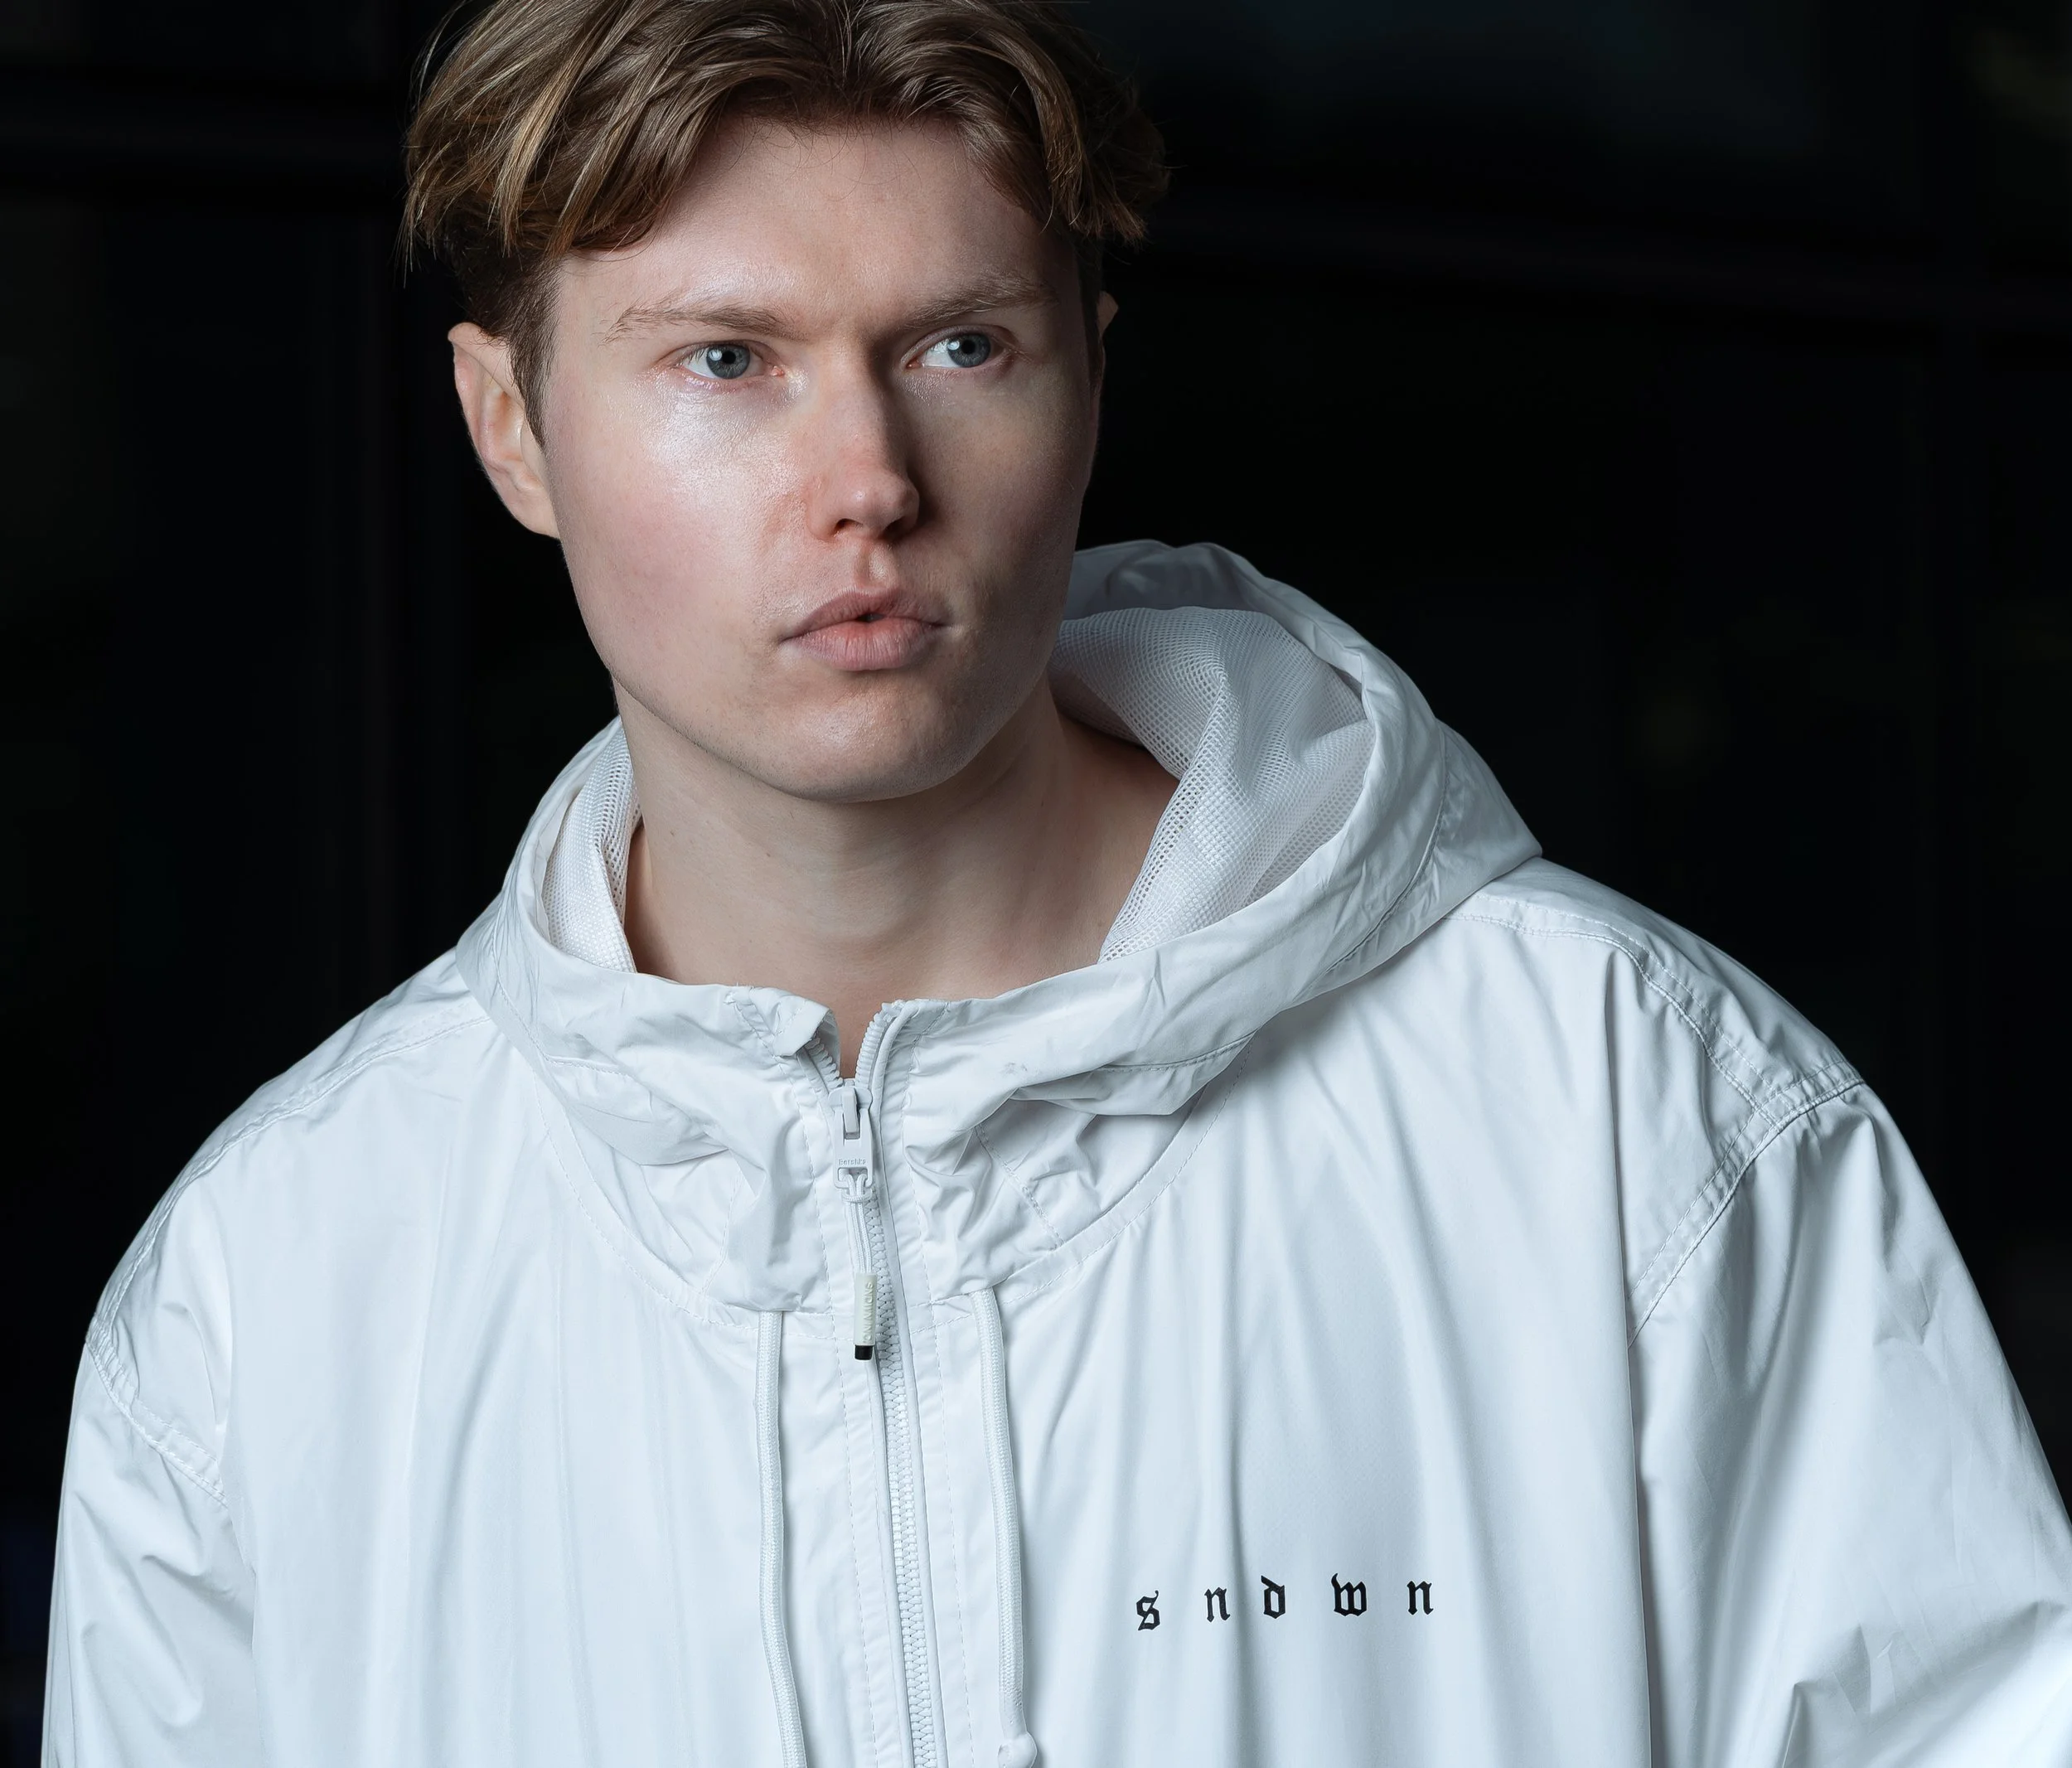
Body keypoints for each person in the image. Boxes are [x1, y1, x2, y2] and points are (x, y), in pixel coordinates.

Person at [41, 0, 2072, 1761]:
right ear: (510, 429)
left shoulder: (1632, 1116)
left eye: (957, 344)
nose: (865, 480)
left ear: (1088, 380)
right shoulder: (269, 1296)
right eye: (726, 360)